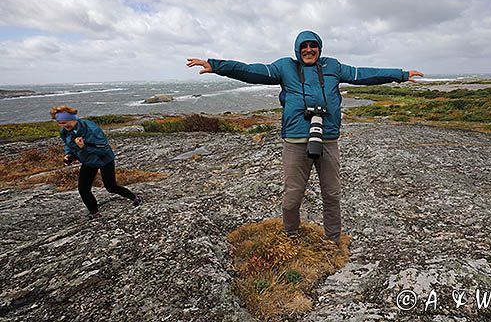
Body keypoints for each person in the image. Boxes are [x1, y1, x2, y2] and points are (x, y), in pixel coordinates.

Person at [186, 30, 423, 243]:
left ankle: (333, 240)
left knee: (332, 193)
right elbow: (250, 70)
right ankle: (291, 236)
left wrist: (400, 74)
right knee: (292, 195)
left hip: (327, 138)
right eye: (304, 46)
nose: (308, 50)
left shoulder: (333, 66)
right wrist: (216, 65)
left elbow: (363, 74)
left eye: (313, 46)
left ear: (319, 48)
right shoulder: (284, 67)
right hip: (295, 140)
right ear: (297, 50)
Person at [50, 106, 143, 219]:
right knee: (83, 189)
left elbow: (104, 149)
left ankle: (135, 198)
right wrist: (68, 154)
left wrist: (84, 147)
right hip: (88, 161)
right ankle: (95, 213)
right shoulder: (65, 131)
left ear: (73, 119)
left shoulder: (92, 129)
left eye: (65, 122)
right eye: (59, 123)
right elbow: (68, 144)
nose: (63, 125)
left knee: (111, 187)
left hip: (104, 159)